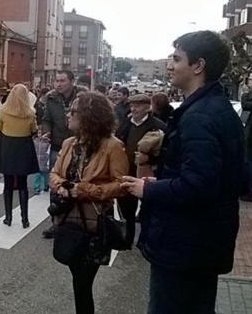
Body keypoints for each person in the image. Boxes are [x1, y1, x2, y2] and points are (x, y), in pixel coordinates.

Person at [121, 31, 246, 314]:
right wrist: (163, 182)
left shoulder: (200, 117)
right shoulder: (216, 109)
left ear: (198, 66)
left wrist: (149, 190)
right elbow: (223, 178)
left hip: (185, 245)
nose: (170, 65)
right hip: (202, 243)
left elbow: (199, 186)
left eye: (177, 59)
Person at [50, 91, 128, 314]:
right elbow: (54, 173)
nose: (68, 115)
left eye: (73, 111)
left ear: (88, 116)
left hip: (94, 225)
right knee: (77, 277)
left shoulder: (112, 146)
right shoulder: (68, 143)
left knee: (83, 283)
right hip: (68, 219)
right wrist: (63, 187)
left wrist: (84, 190)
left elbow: (121, 185)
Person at [115, 94, 166, 249]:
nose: (134, 109)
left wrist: (149, 159)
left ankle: (145, 240)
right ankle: (127, 239)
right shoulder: (125, 124)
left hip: (147, 173)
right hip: (127, 171)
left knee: (147, 209)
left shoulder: (157, 125)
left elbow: (164, 151)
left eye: (138, 105)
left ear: (147, 106)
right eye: (132, 105)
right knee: (126, 208)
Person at [41, 70, 84, 238]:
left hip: (80, 146)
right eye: (57, 80)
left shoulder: (83, 98)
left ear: (72, 81)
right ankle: (56, 223)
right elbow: (46, 119)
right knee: (55, 185)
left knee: (76, 185)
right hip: (57, 146)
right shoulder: (51, 98)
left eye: (62, 80)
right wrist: (47, 132)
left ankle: (76, 221)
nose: (58, 84)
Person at [0, 84, 39, 228]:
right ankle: (25, 219)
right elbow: (33, 130)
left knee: (8, 184)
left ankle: (8, 217)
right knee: (23, 185)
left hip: (7, 148)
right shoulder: (30, 114)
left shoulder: (4, 111)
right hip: (23, 147)